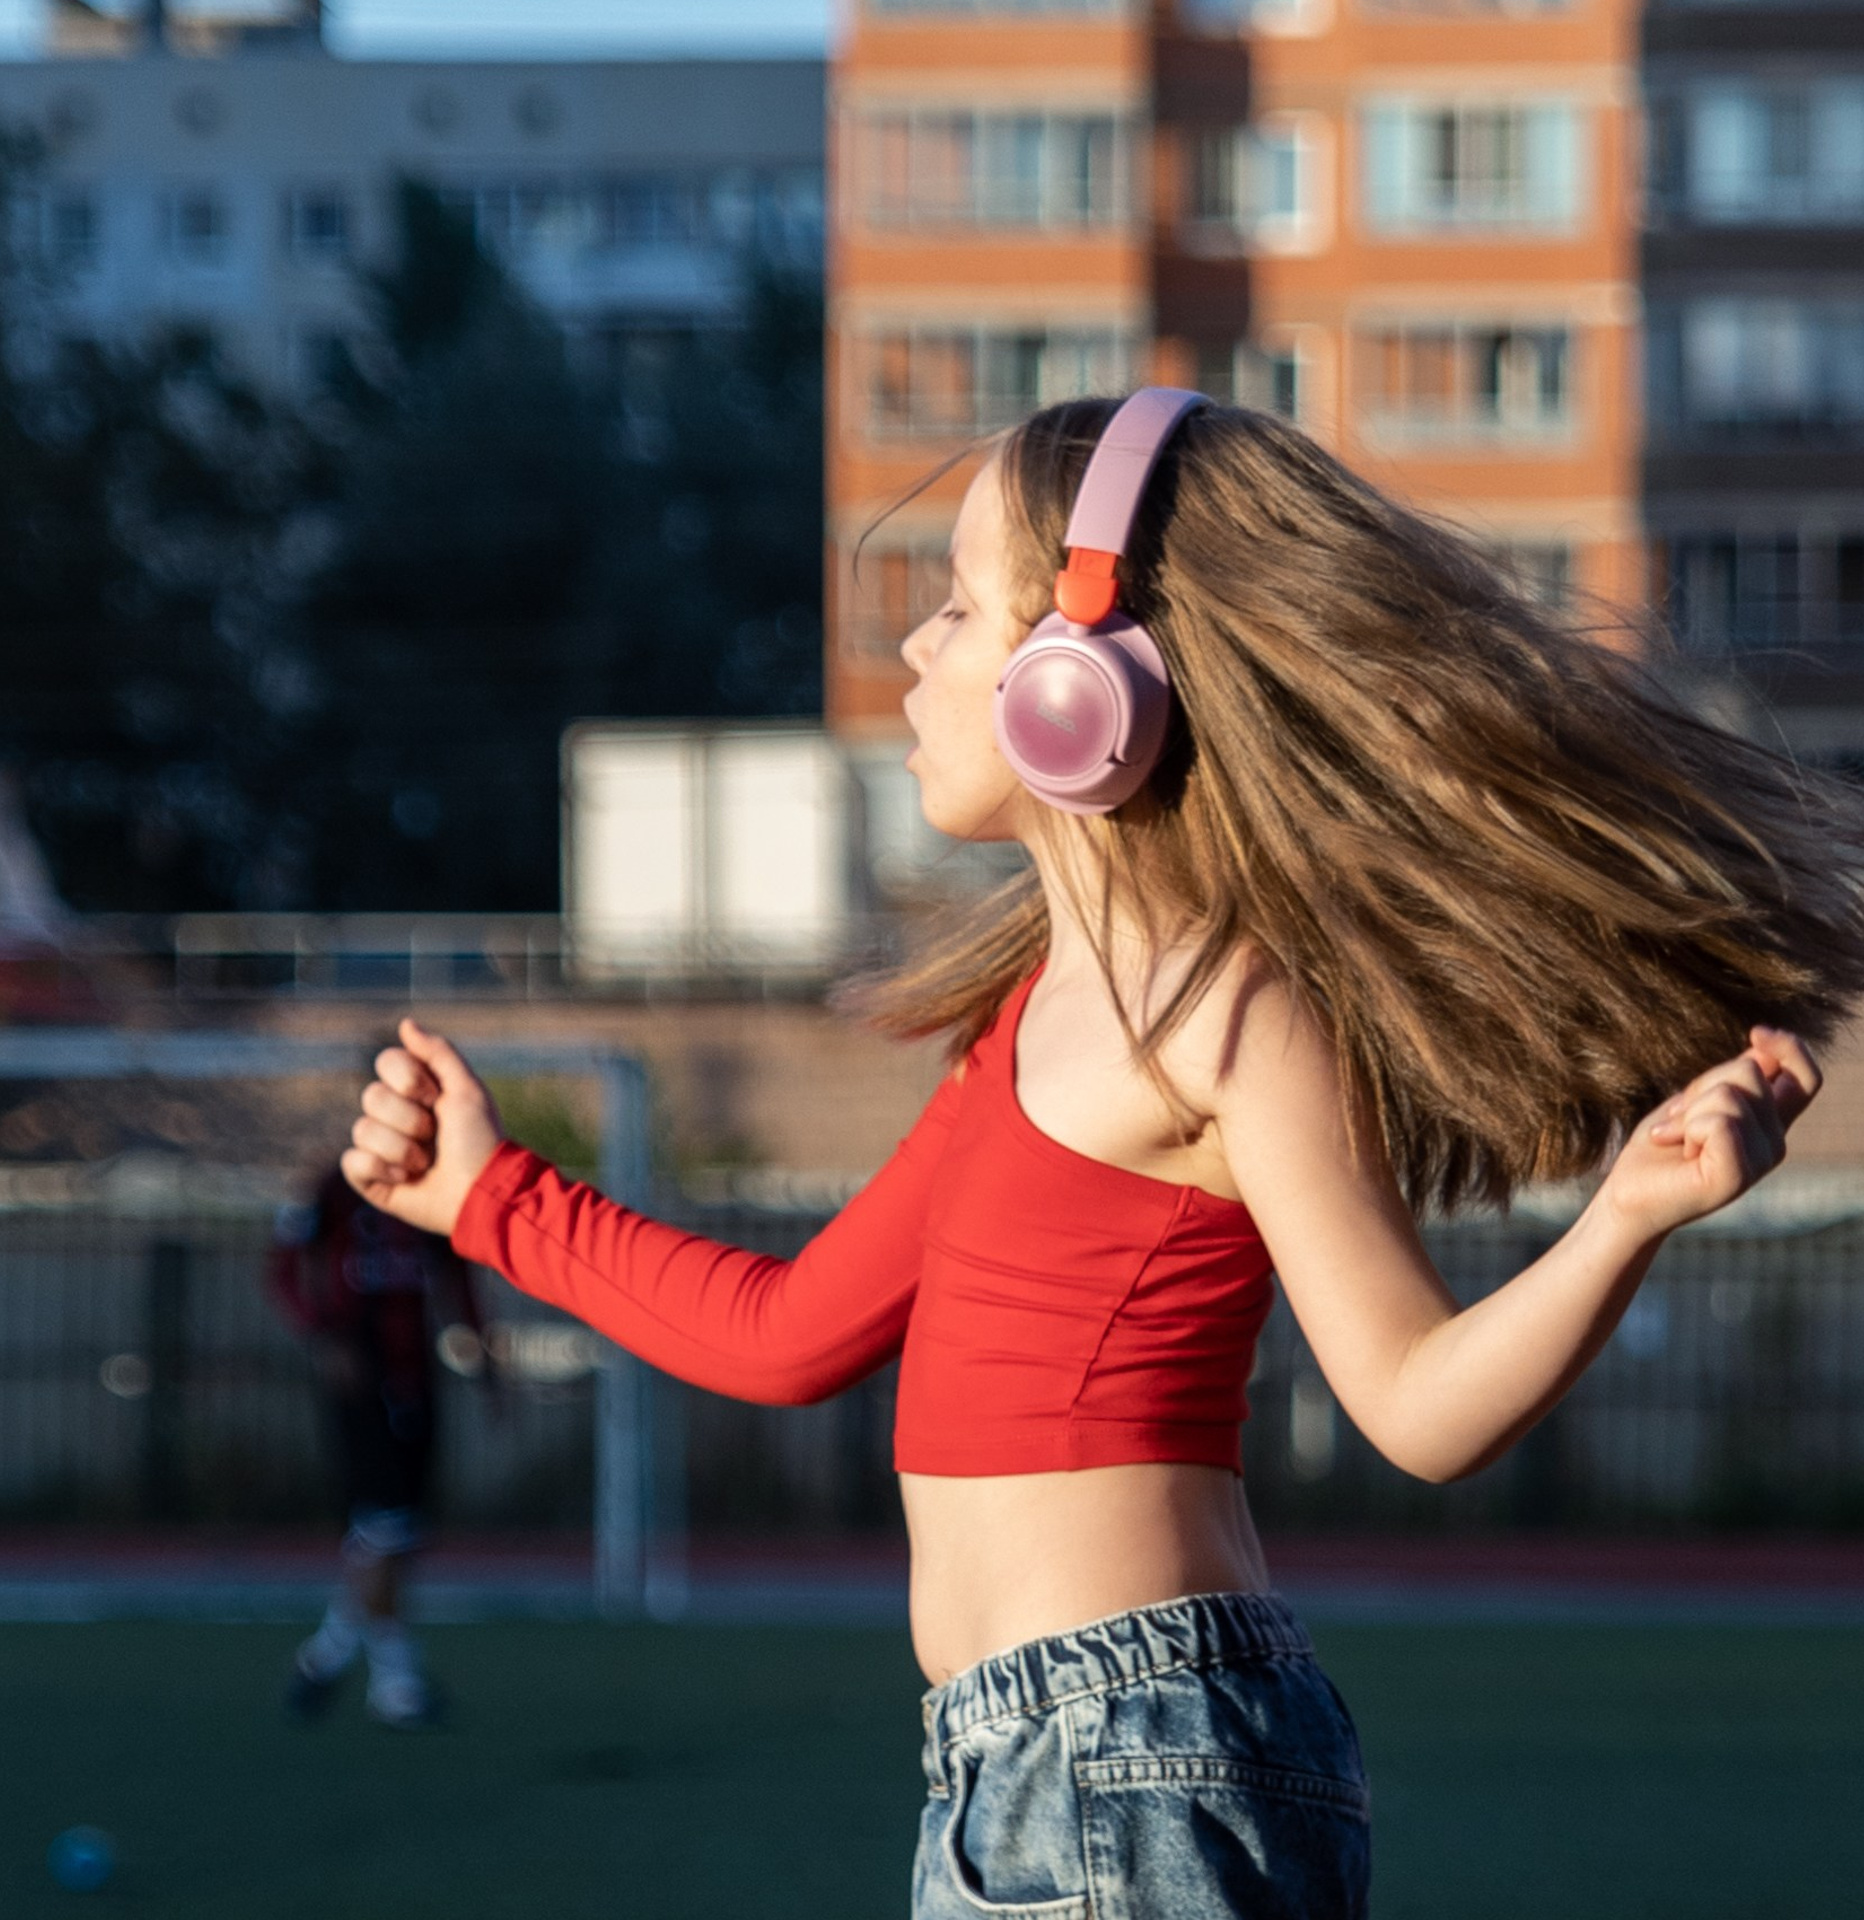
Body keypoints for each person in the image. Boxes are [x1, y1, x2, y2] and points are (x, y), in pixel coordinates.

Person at [339, 392, 1864, 1913]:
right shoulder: (1024, 1026)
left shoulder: (1227, 1003)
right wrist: (489, 1198)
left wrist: (1628, 1217)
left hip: (1135, 1749)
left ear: (1077, 678)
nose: (917, 653)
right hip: (1032, 1763)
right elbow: (788, 1335)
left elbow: (1414, 1405)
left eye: (955, 606)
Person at [267, 1162, 489, 1729]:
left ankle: (350, 1666)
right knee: (386, 1527)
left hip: (415, 1374)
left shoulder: (429, 1187)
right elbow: (284, 1269)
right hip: (361, 1375)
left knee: (396, 1531)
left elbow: (453, 1273)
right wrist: (323, 1335)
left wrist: (480, 1348)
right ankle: (370, 1674)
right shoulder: (332, 1187)